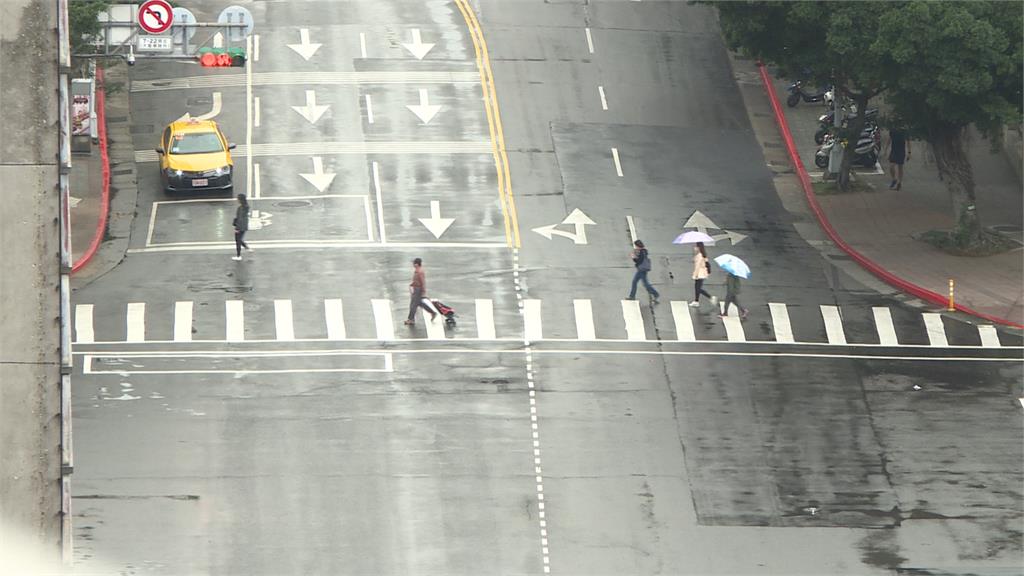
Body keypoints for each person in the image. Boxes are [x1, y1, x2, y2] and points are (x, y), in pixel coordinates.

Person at [404, 258, 436, 326]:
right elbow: (416, 280)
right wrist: (412, 284)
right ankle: (432, 312)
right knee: (419, 303)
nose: (413, 264)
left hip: (418, 290)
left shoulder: (420, 271)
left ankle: (411, 319)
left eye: (414, 263)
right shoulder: (417, 270)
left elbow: (422, 282)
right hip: (416, 289)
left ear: (417, 264)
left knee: (413, 305)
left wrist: (423, 290)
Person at [689, 242, 717, 308]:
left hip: (700, 274)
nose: (694, 248)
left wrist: (694, 275)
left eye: (696, 246)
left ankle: (711, 297)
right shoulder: (702, 255)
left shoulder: (699, 256)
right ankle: (696, 301)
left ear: (699, 247)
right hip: (702, 274)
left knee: (698, 288)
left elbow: (697, 266)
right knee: (697, 288)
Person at [232, 194, 250, 261]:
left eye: (238, 198)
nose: (237, 200)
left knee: (238, 240)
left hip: (240, 226)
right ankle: (246, 247)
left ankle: (238, 256)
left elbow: (239, 218)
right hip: (244, 226)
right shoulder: (246, 207)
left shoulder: (240, 208)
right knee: (240, 239)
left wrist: (237, 228)